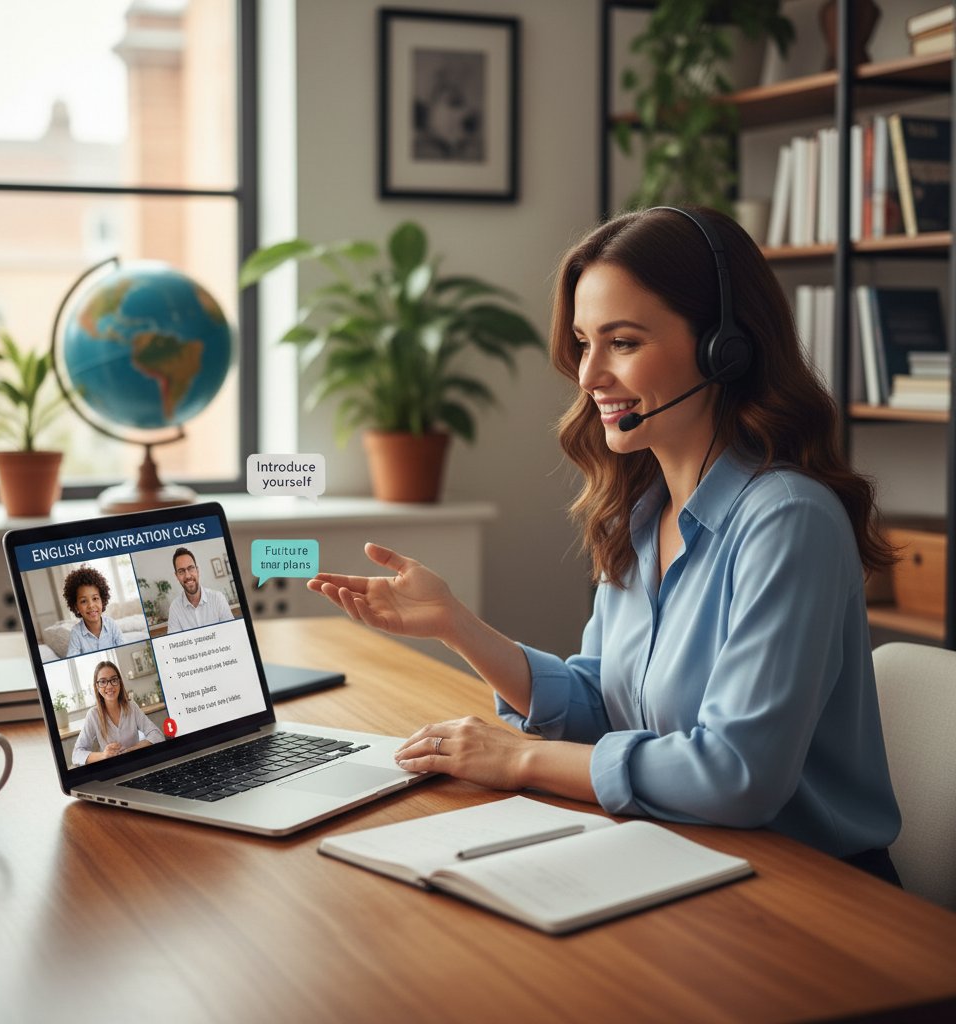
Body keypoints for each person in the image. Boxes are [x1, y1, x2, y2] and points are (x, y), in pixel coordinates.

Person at [307, 206, 903, 884]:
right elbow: (601, 708)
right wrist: (455, 625)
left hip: (814, 889)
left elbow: (736, 774)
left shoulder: (788, 520)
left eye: (621, 342)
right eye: (583, 343)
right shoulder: (640, 515)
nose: (589, 376)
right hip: (687, 853)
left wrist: (517, 758)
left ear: (724, 349)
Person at [71, 660, 164, 766]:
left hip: (137, 764)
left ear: (119, 682)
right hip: (112, 768)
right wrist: (103, 755)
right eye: (103, 681)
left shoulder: (131, 706)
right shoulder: (93, 715)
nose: (109, 686)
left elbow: (157, 734)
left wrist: (132, 750)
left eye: (114, 680)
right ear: (97, 686)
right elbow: (77, 754)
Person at [165, 547, 234, 634]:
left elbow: (231, 632)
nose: (188, 576)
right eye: (181, 571)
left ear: (197, 570)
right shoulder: (175, 608)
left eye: (191, 568)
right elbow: (175, 640)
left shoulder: (218, 598)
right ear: (177, 576)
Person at [63, 566, 125, 657]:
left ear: (102, 600)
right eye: (84, 601)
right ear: (76, 607)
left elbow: (122, 647)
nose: (91, 605)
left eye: (95, 598)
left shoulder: (111, 625)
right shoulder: (76, 633)